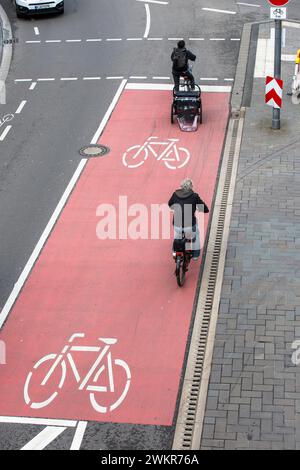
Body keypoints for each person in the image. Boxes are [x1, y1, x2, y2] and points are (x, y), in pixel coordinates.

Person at [168, 178, 209, 260]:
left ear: (181, 186)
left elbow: (170, 204)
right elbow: (205, 209)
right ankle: (195, 255)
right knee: (196, 235)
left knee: (177, 234)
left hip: (177, 224)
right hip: (189, 225)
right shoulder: (194, 196)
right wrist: (202, 209)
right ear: (191, 187)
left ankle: (174, 250)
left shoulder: (175, 194)